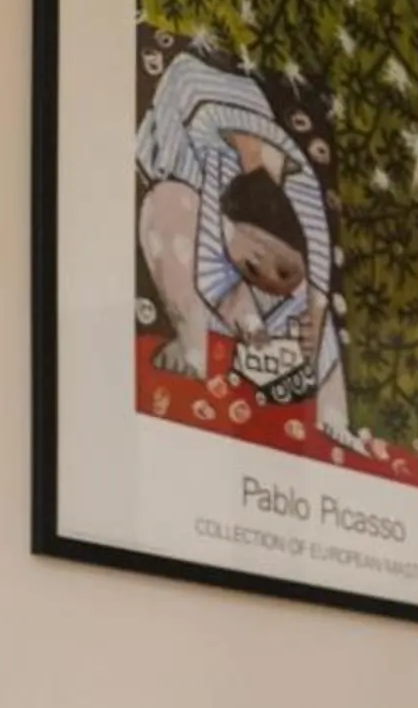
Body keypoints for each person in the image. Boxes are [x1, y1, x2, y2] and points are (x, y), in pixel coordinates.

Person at [133, 47, 368, 452]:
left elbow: (310, 254)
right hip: (209, 287)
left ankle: (334, 421)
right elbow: (210, 261)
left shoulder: (296, 183)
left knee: (319, 321)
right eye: (258, 265)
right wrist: (245, 317)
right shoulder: (202, 142)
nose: (269, 277)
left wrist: (312, 308)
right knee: (167, 205)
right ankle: (193, 350)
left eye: (279, 272)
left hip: (267, 319)